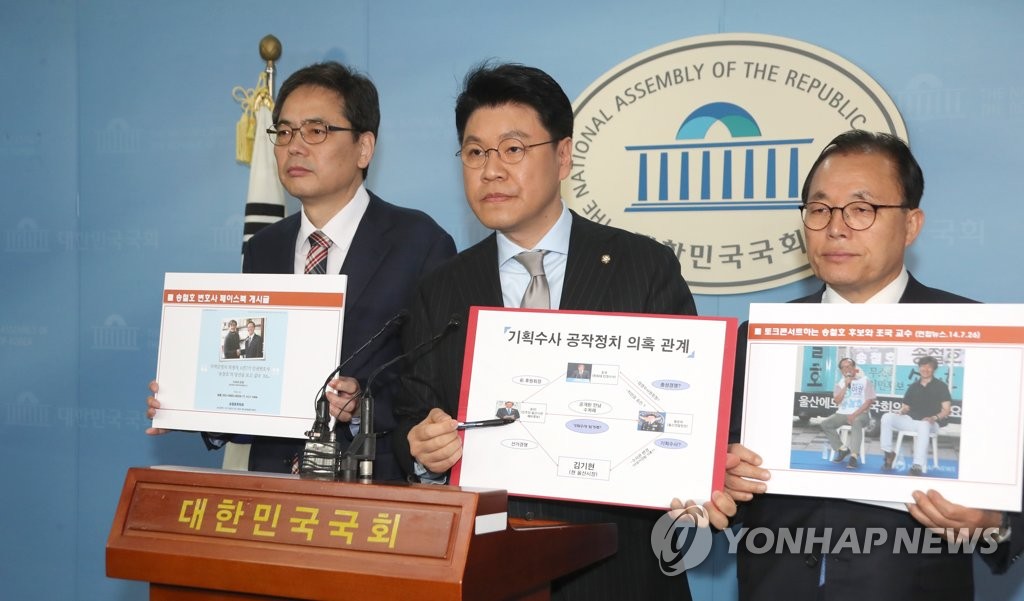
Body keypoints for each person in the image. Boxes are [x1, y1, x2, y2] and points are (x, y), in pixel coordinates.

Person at [391, 61, 718, 601]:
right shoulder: (440, 288)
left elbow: (688, 414)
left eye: (513, 149)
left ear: (563, 156)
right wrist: (424, 450)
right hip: (488, 571)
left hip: (619, 573)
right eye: (475, 153)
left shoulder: (643, 267)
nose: (491, 171)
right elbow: (411, 417)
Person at [721, 130, 1019, 600]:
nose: (836, 228)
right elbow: (720, 494)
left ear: (911, 224)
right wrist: (723, 483)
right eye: (820, 209)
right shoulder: (756, 339)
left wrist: (994, 523)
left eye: (861, 209)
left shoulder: (985, 339)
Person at [146, 62, 456, 480]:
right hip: (274, 486)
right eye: (285, 132)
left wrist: (362, 408)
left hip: (369, 486)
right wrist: (193, 403)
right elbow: (257, 376)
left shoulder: (418, 242)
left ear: (364, 148)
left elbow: (435, 386)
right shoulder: (264, 248)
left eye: (316, 131)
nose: (294, 146)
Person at [879, 355, 951, 475]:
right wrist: (901, 411)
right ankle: (888, 453)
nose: (925, 369)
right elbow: (906, 407)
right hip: (911, 420)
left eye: (929, 367)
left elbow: (946, 410)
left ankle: (917, 465)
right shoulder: (913, 386)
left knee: (924, 424)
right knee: (887, 417)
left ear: (934, 369)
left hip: (931, 423)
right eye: (923, 366)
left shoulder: (941, 386)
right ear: (919, 368)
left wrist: (934, 417)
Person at [821, 357, 875, 469]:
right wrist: (846, 385)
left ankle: (854, 456)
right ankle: (843, 449)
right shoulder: (840, 384)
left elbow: (869, 401)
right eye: (843, 367)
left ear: (854, 367)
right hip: (842, 413)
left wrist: (854, 415)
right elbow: (837, 401)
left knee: (856, 421)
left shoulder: (865, 381)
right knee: (825, 423)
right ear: (841, 371)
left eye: (849, 366)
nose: (847, 369)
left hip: (861, 414)